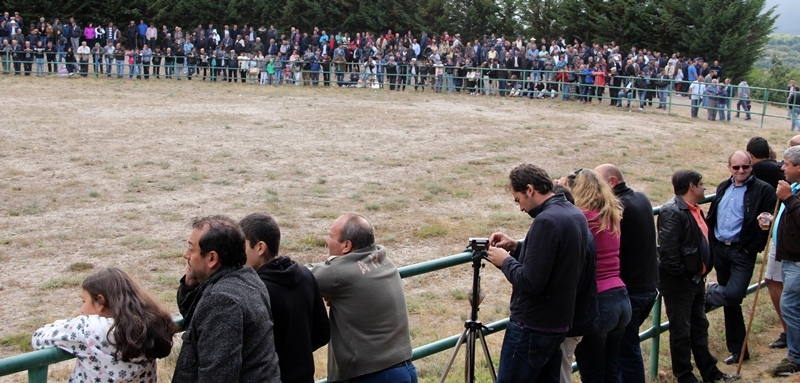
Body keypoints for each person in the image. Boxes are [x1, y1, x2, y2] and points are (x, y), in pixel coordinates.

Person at [486, 164, 594, 383]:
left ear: (529, 189)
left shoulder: (545, 221)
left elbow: (531, 281)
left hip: (532, 326)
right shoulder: (574, 214)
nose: (521, 208)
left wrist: (505, 261)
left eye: (519, 200)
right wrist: (517, 247)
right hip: (558, 324)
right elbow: (554, 260)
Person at [308, 214, 417, 382]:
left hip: (373, 375)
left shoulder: (339, 273)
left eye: (331, 236)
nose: (326, 241)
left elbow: (299, 277)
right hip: (404, 367)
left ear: (346, 245)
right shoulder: (383, 259)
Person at [173, 216, 281, 382]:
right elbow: (198, 321)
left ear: (212, 259)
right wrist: (189, 285)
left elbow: (217, 376)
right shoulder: (248, 280)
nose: (185, 254)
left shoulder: (222, 301)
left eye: (191, 249)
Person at [658, 170, 737, 383]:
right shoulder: (672, 212)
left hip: (695, 280)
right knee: (681, 332)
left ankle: (710, 373)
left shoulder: (694, 210)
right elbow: (669, 254)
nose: (704, 188)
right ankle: (685, 377)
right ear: (691, 186)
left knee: (699, 327)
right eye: (701, 184)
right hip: (681, 284)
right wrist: (686, 277)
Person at [32, 268, 176, 383]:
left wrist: (69, 322)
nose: (81, 309)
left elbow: (38, 338)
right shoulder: (151, 326)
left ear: (100, 301)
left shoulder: (87, 328)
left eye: (84, 301)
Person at [239, 212, 330, 383]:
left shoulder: (256, 289)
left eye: (242, 247)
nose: (238, 254)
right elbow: (323, 333)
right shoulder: (305, 275)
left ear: (260, 247)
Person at [705, 151, 776, 364]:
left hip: (742, 252)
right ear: (729, 168)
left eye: (745, 166)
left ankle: (709, 294)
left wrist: (751, 248)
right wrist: (713, 244)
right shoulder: (723, 187)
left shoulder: (764, 190)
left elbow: (766, 223)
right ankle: (738, 350)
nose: (741, 171)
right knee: (731, 303)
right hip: (720, 250)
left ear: (751, 166)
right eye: (736, 167)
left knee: (734, 295)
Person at [595, 164, 659, 383]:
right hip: (648, 287)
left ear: (612, 183)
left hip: (630, 291)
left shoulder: (618, 208)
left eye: (599, 185)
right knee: (624, 351)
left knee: (626, 353)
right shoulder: (641, 198)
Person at [568, 169, 631, 383]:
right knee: (610, 370)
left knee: (592, 374)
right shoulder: (610, 215)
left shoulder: (582, 217)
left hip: (598, 301)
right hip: (621, 297)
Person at [769, 145, 800, 376]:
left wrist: (788, 199)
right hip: (790, 259)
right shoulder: (795, 187)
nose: (782, 168)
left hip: (797, 261)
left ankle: (796, 357)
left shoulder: (793, 193)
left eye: (787, 164)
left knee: (789, 306)